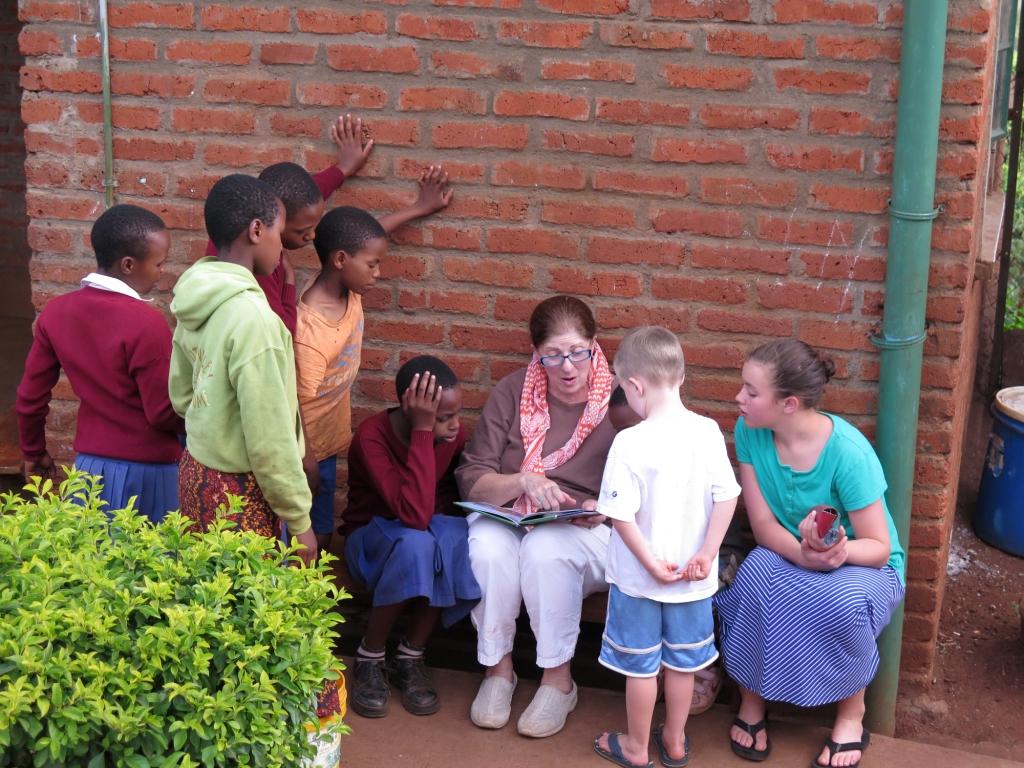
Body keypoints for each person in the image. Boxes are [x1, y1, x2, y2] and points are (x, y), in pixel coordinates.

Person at [715, 340, 906, 768]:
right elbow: (763, 528)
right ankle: (752, 701)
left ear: (789, 404)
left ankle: (851, 714)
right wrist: (804, 557)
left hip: (861, 564)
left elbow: (878, 548)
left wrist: (835, 554)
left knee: (840, 602)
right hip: (789, 550)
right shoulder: (749, 431)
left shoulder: (848, 454)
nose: (738, 398)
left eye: (751, 391)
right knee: (752, 581)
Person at [455, 295, 616, 738]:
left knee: (546, 549)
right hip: (512, 514)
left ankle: (558, 681)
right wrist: (522, 481)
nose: (567, 367)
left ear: (594, 346)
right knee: (488, 546)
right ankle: (498, 670)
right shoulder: (512, 390)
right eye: (553, 356)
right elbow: (473, 478)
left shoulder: (620, 402)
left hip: (587, 528)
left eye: (577, 352)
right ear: (536, 353)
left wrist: (598, 508)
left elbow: (644, 485)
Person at [592, 327, 740, 768]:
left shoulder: (630, 441)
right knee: (682, 665)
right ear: (680, 374)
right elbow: (727, 496)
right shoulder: (708, 431)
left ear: (635, 386)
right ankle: (674, 741)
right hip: (693, 580)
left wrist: (653, 565)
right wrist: (708, 553)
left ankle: (637, 747)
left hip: (640, 581)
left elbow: (620, 516)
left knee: (640, 667)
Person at [295, 168, 453, 551]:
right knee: (299, 540)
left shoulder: (350, 284)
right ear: (340, 260)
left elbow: (370, 237)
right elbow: (290, 407)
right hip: (301, 454)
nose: (378, 274)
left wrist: (419, 208)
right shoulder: (311, 334)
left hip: (327, 444)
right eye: (373, 265)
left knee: (323, 531)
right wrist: (308, 464)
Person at [169, 173, 316, 564]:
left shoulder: (195, 293)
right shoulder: (255, 321)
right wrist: (300, 523)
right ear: (255, 230)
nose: (281, 248)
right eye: (278, 233)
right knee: (242, 613)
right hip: (239, 495)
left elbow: (182, 394)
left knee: (200, 604)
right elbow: (270, 442)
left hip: (196, 474)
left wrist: (215, 423)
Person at [16, 204, 183, 521]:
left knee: (92, 565)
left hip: (89, 472)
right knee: (151, 566)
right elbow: (163, 412)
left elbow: (29, 398)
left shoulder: (57, 312)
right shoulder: (146, 323)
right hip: (150, 472)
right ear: (129, 265)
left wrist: (33, 452)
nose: (162, 272)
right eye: (159, 263)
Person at [341, 356, 480, 719]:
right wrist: (422, 433)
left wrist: (431, 431)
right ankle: (369, 656)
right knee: (418, 541)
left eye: (456, 414)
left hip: (421, 535)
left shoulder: (451, 436)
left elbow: (434, 511)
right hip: (369, 541)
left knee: (453, 535)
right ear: (411, 406)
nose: (455, 426)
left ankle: (410, 654)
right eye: (443, 417)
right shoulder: (372, 436)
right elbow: (412, 514)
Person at [202, 114, 374, 335]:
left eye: (314, 226)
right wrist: (289, 284)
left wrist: (343, 169)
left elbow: (308, 194)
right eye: (302, 231)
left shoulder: (249, 215)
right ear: (273, 219)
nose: (312, 236)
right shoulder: (260, 267)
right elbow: (282, 332)